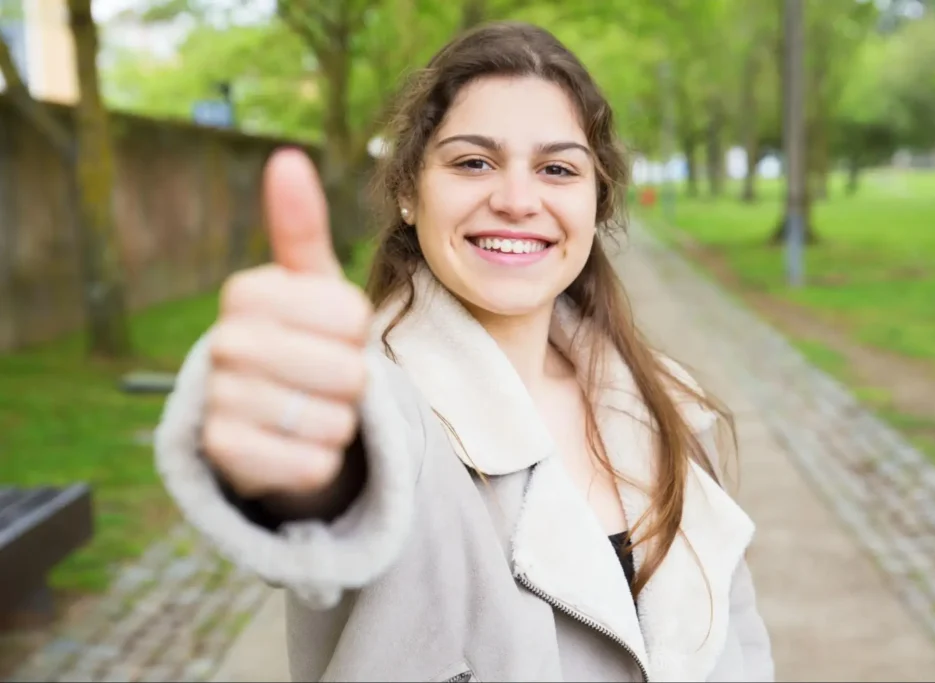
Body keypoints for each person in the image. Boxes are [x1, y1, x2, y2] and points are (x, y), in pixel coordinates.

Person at [154, 20, 774, 683]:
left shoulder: (659, 399)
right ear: (407, 192)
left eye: (557, 168)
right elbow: (349, 475)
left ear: (597, 201)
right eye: (473, 161)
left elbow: (736, 634)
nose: (515, 200)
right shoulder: (386, 400)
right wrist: (300, 459)